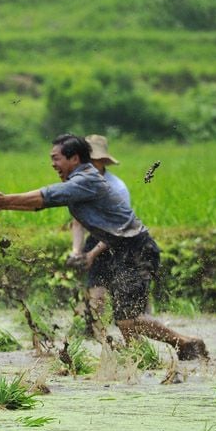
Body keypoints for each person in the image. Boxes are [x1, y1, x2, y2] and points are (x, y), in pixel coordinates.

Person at [0, 133, 208, 361]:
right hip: (120, 249)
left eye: (56, 158)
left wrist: (5, 200)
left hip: (136, 249)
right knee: (124, 317)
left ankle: (186, 343)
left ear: (74, 159)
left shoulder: (86, 180)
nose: (53, 164)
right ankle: (137, 363)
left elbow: (47, 196)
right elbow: (41, 205)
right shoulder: (80, 182)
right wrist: (4, 205)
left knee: (128, 318)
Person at [65, 134, 133, 339]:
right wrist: (77, 251)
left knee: (127, 308)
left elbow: (118, 228)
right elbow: (78, 221)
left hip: (122, 243)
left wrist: (92, 254)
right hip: (96, 240)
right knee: (96, 299)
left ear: (102, 162)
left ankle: (136, 348)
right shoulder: (79, 185)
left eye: (92, 161)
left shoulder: (116, 188)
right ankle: (101, 344)